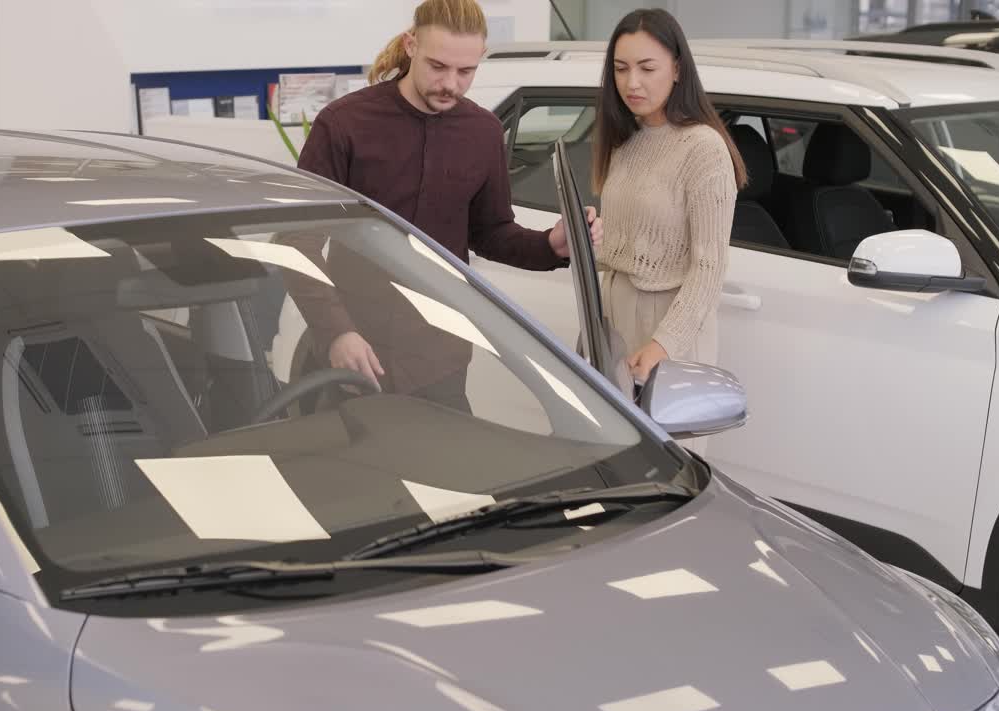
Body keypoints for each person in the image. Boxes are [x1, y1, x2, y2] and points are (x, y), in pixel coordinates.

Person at [285, 0, 603, 413]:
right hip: (354, 356)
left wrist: (551, 245)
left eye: (465, 71)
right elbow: (296, 240)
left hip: (440, 359)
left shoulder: (484, 133)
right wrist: (337, 332)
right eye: (438, 66)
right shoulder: (344, 125)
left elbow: (490, 232)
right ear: (410, 45)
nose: (450, 84)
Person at [591, 8, 745, 421]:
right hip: (613, 314)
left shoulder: (703, 149)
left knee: (669, 465)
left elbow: (709, 267)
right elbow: (628, 238)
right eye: (621, 69)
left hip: (669, 323)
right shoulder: (628, 140)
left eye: (647, 67)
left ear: (677, 69)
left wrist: (665, 343)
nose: (631, 82)